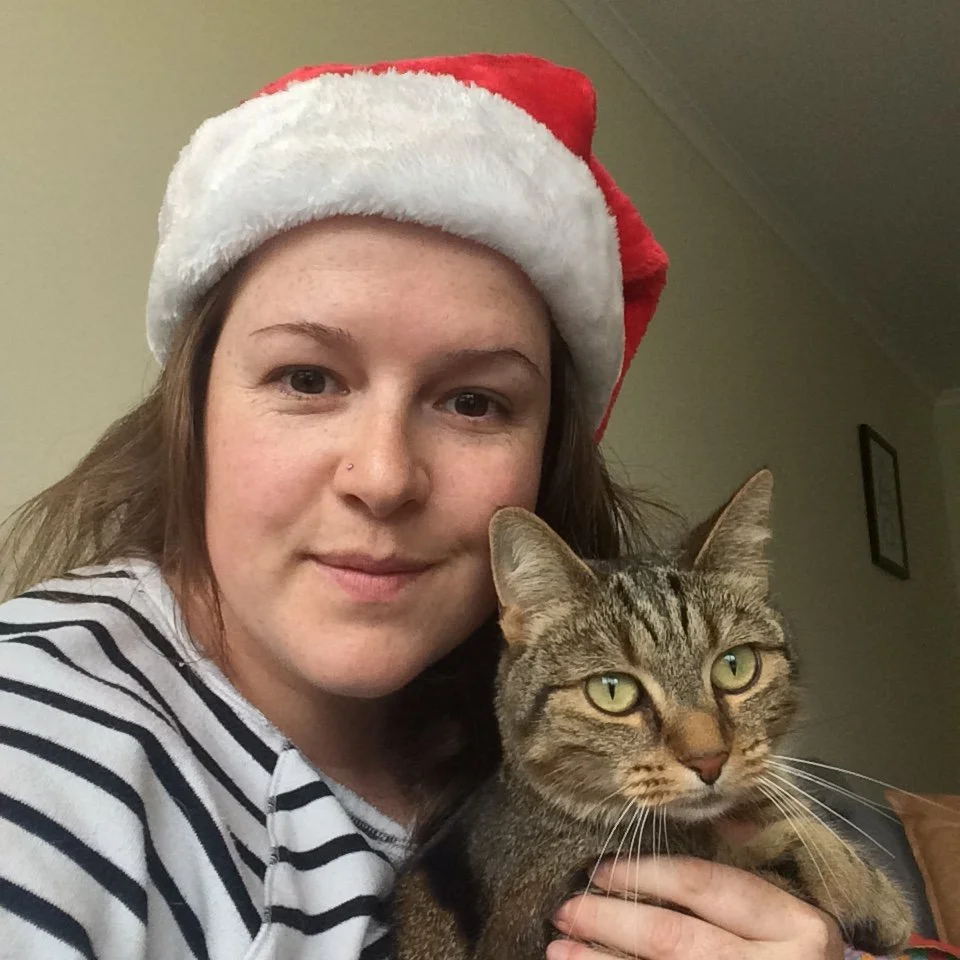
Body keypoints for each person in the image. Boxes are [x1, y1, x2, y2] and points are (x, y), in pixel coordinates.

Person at [0, 53, 844, 959]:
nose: (385, 475)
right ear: (193, 408)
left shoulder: (536, 713)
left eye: (473, 401)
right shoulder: (40, 743)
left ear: (545, 454)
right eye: (308, 377)